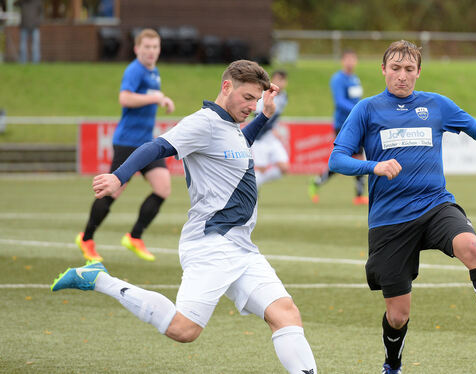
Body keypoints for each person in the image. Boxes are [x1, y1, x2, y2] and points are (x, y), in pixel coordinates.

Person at [51, 60, 318, 374]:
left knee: (285, 313)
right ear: (226, 87)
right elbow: (156, 146)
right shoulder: (203, 123)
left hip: (242, 248)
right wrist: (119, 177)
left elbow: (239, 146)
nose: (252, 106)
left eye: (256, 101)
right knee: (184, 329)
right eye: (248, 98)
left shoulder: (230, 126)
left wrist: (266, 115)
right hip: (211, 245)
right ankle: (98, 279)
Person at [329, 40, 476, 373]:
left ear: (418, 72)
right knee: (398, 316)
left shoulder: (436, 105)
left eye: (408, 70)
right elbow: (337, 158)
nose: (401, 76)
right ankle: (392, 364)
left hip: (435, 205)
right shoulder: (367, 110)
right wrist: (372, 167)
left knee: (473, 247)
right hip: (390, 221)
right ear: (383, 70)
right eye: (395, 69)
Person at [76, 28, 175, 262]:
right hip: (128, 143)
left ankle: (134, 237)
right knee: (112, 191)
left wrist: (164, 99)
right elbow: (125, 98)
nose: (151, 51)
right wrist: (156, 97)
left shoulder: (154, 72)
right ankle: (87, 238)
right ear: (137, 49)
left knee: (163, 188)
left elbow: (150, 96)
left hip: (147, 144)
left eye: (155, 47)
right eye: (147, 47)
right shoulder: (134, 70)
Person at [309, 49, 367, 205]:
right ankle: (316, 182)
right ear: (343, 61)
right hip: (343, 125)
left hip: (356, 124)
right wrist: (358, 110)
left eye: (353, 59)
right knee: (340, 161)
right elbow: (340, 102)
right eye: (348, 59)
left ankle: (359, 195)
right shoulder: (338, 79)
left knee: (359, 158)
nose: (350, 62)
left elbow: (356, 99)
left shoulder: (355, 78)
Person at [252, 70, 290, 188]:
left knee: (284, 168)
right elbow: (257, 117)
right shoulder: (264, 95)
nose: (281, 83)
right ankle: (252, 190)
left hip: (271, 138)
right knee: (261, 169)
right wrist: (269, 128)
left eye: (283, 80)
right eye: (278, 79)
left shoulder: (284, 96)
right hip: (259, 138)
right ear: (272, 81)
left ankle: (254, 185)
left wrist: (273, 129)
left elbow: (274, 117)